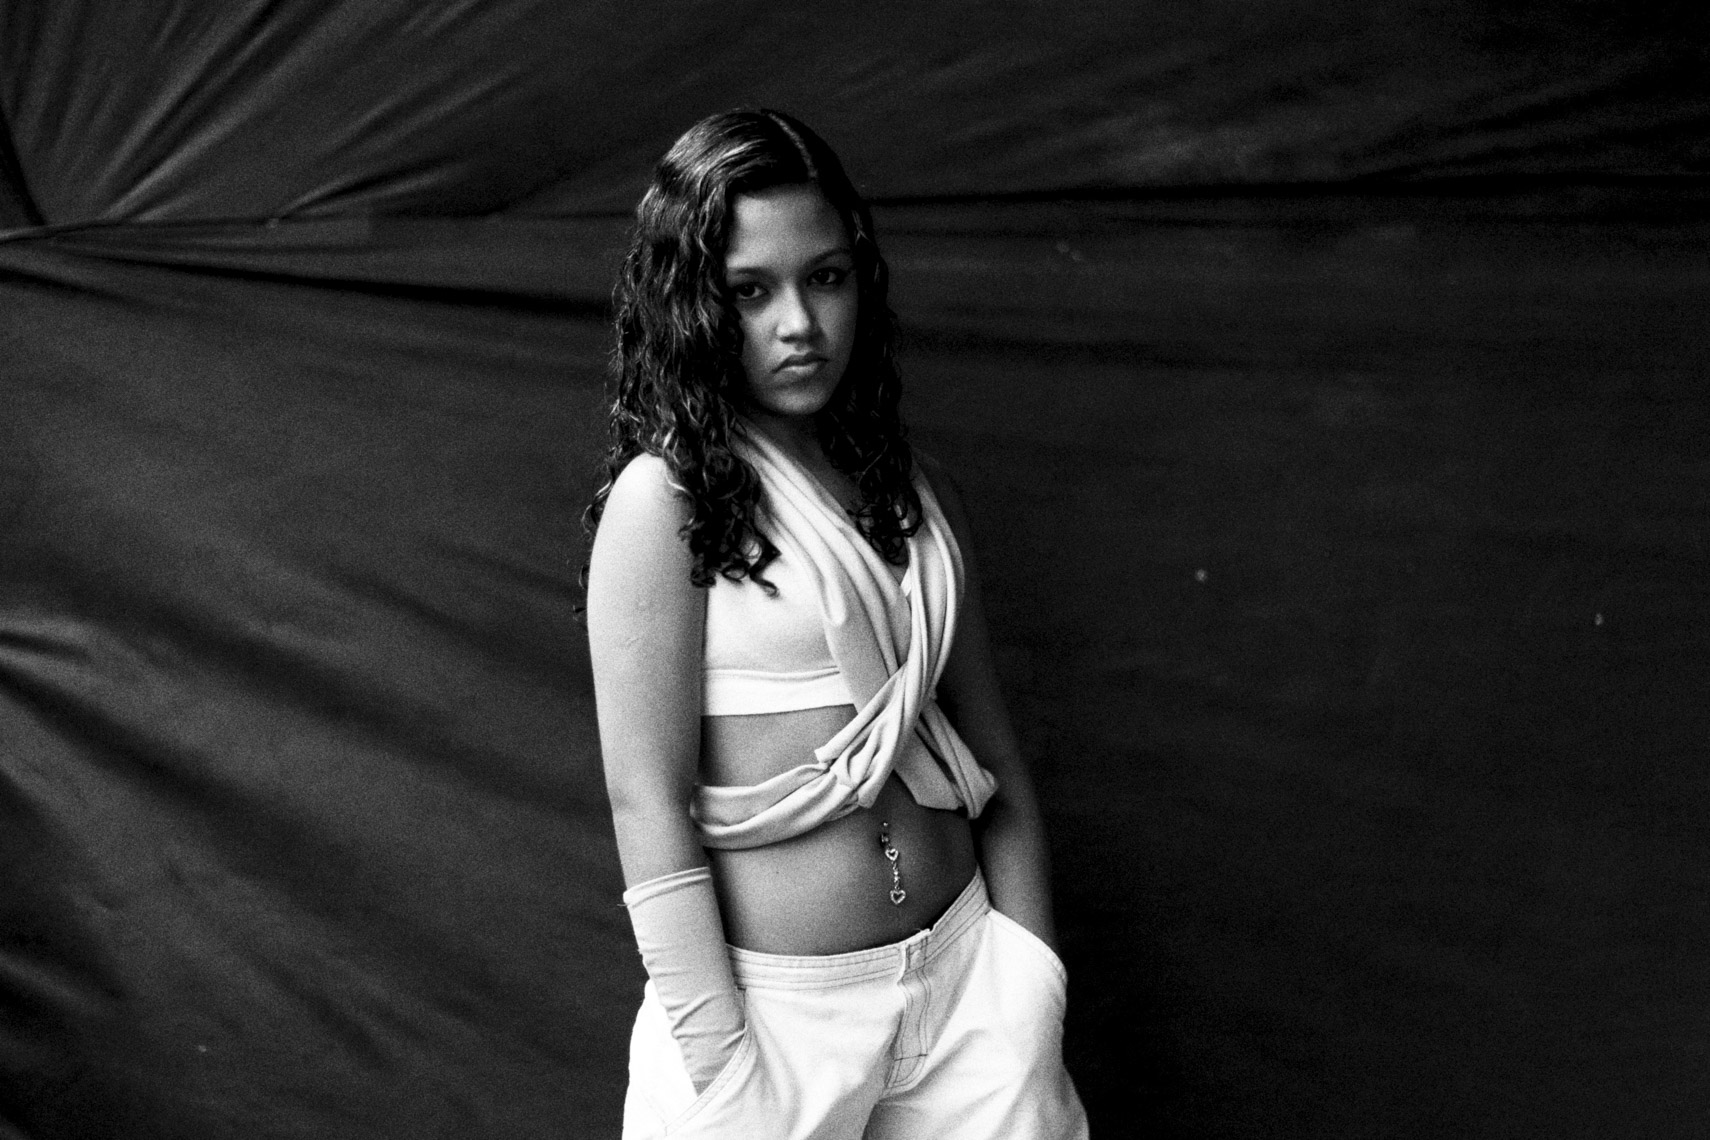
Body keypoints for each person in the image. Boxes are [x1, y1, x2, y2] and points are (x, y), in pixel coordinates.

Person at [583, 108, 1088, 1139]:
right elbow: (646, 801)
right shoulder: (663, 503)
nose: (799, 325)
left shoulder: (911, 491)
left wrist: (1029, 983)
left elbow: (992, 757)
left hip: (969, 992)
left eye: (824, 277)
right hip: (777, 1027)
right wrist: (721, 1062)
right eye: (749, 291)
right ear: (692, 304)